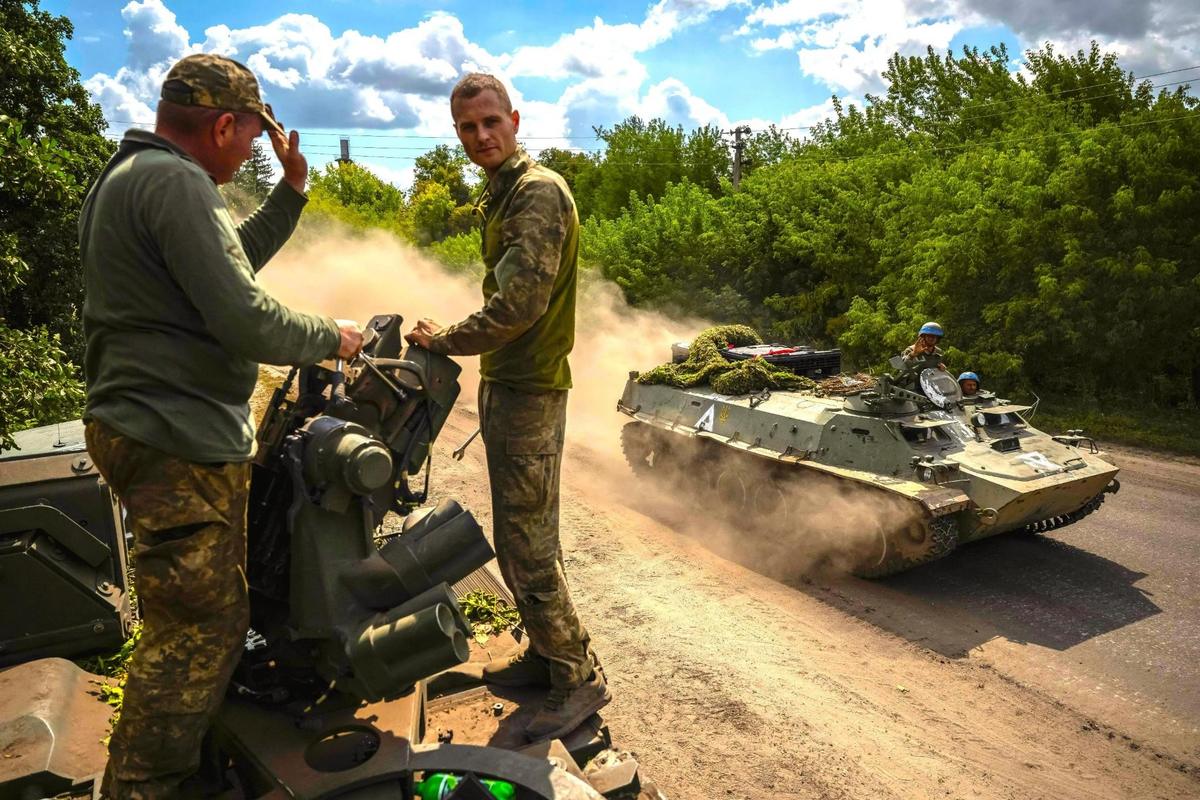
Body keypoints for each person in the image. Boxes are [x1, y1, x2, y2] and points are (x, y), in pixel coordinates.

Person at [80, 53, 363, 798]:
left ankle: (195, 767)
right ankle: (146, 787)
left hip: (155, 430)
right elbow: (241, 313)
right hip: (173, 438)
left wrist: (294, 192)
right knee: (195, 631)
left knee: (210, 615)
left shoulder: (135, 176)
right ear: (225, 124)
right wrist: (329, 336)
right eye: (249, 138)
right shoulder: (176, 182)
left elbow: (226, 266)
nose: (250, 154)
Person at [405, 72, 608, 742]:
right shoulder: (503, 192)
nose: (480, 136)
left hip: (529, 388)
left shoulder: (536, 192)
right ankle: (546, 656)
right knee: (520, 537)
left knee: (527, 547)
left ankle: (576, 678)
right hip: (510, 384)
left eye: (491, 122)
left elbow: (519, 306)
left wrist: (446, 339)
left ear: (515, 120)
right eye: (467, 128)